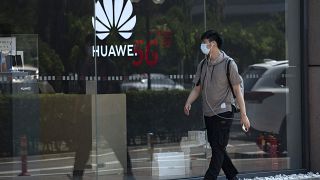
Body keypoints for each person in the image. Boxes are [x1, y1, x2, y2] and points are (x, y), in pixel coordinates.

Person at [184, 30, 250, 180]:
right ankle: (232, 176)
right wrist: (188, 101)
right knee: (217, 147)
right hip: (208, 113)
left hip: (224, 112)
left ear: (213, 44)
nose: (202, 46)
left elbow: (237, 91)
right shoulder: (203, 65)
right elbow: (197, 88)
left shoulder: (229, 64)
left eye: (204, 43)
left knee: (218, 149)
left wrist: (244, 115)